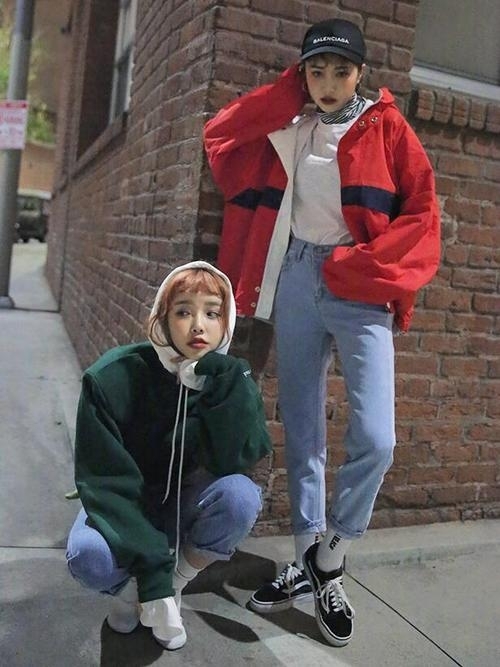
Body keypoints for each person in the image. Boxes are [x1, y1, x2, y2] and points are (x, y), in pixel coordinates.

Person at [204, 18, 440, 647]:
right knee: (303, 429)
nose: (328, 82)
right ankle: (306, 555)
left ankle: (328, 558)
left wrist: (359, 266)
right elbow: (221, 134)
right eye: (316, 71)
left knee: (377, 438)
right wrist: (289, 93)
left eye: (341, 70)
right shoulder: (296, 127)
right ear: (302, 75)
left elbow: (421, 213)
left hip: (359, 284)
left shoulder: (388, 127)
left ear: (361, 73)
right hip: (297, 279)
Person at [65, 261, 272, 650]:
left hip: (183, 501)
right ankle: (134, 593)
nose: (198, 326)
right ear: (162, 318)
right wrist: (152, 575)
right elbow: (105, 481)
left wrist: (232, 390)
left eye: (212, 313)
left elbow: (234, 461)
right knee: (87, 555)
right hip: (124, 501)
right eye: (183, 312)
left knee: (241, 497)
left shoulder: (226, 378)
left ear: (226, 321)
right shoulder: (112, 376)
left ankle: (172, 589)